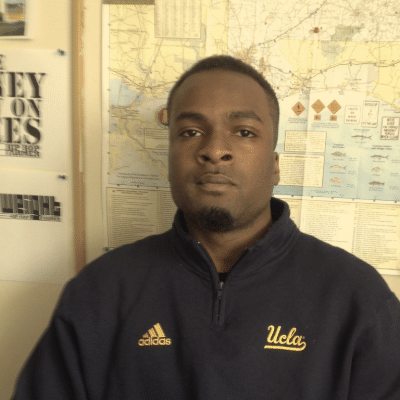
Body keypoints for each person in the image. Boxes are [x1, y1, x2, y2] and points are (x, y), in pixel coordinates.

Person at [13, 55, 400, 399]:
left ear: (276, 165)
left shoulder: (358, 300)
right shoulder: (98, 294)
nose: (215, 149)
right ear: (169, 158)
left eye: (244, 132)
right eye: (191, 132)